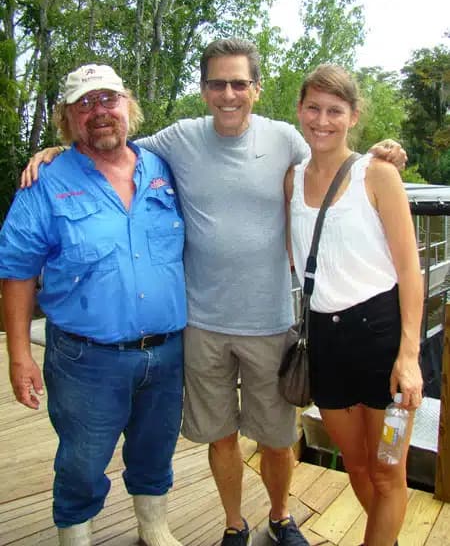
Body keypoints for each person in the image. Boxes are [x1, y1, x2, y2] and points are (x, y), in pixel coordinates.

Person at [21, 39, 407, 546]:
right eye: (218, 83)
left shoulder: (287, 138)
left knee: (275, 438)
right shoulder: (178, 139)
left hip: (270, 323)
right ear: (203, 89)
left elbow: (336, 157)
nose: (229, 94)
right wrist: (59, 152)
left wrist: (386, 151)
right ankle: (233, 523)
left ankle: (279, 516)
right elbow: (112, 145)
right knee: (220, 436)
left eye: (239, 83)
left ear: (256, 88)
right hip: (200, 325)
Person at [0, 64, 187, 546]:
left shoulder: (163, 168)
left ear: (128, 106)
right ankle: (76, 536)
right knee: (82, 462)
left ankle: (154, 527)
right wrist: (18, 354)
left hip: (167, 354)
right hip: (86, 360)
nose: (99, 112)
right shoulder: (44, 181)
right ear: (67, 118)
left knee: (155, 450)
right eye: (84, 104)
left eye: (108, 99)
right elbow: (17, 271)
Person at [285, 64, 423, 546]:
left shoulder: (378, 174)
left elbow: (410, 273)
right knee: (359, 466)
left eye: (335, 111)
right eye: (313, 108)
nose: (322, 120)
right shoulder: (291, 179)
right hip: (325, 342)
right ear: (300, 110)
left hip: (382, 340)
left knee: (389, 473)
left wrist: (409, 356)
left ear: (353, 115)